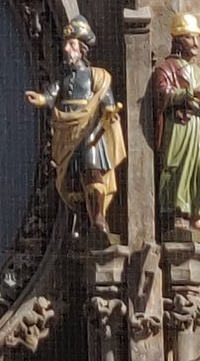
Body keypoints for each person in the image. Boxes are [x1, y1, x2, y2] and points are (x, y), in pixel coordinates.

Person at [25, 16, 126, 236]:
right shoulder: (64, 77)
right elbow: (51, 95)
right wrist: (41, 99)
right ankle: (83, 218)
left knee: (93, 170)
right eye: (66, 44)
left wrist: (109, 111)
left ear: (82, 49)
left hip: (90, 129)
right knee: (73, 176)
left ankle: (98, 217)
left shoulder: (96, 76)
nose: (67, 49)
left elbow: (105, 99)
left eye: (71, 44)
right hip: (68, 131)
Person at [149, 10, 200, 232]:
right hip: (178, 126)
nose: (195, 43)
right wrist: (189, 94)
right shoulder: (165, 69)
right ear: (177, 41)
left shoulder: (196, 70)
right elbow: (163, 96)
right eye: (189, 37)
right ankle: (179, 215)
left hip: (197, 126)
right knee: (179, 168)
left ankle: (197, 215)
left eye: (197, 37)